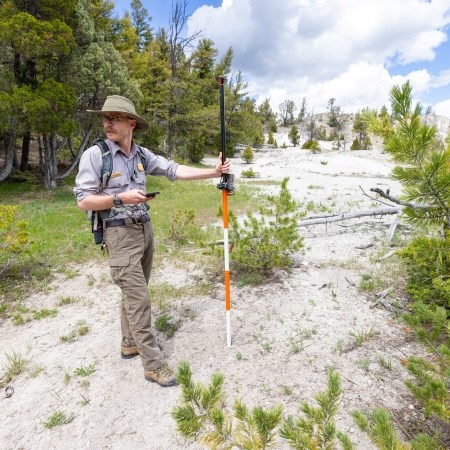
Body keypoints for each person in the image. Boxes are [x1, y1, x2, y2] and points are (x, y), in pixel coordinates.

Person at [73, 95, 231, 387]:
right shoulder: (96, 156)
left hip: (144, 229)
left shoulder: (142, 155)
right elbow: (83, 201)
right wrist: (120, 197)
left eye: (115, 117)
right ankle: (153, 364)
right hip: (118, 233)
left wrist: (213, 172)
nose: (107, 122)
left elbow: (173, 170)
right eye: (105, 117)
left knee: (136, 292)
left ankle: (129, 343)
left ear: (131, 123)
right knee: (139, 299)